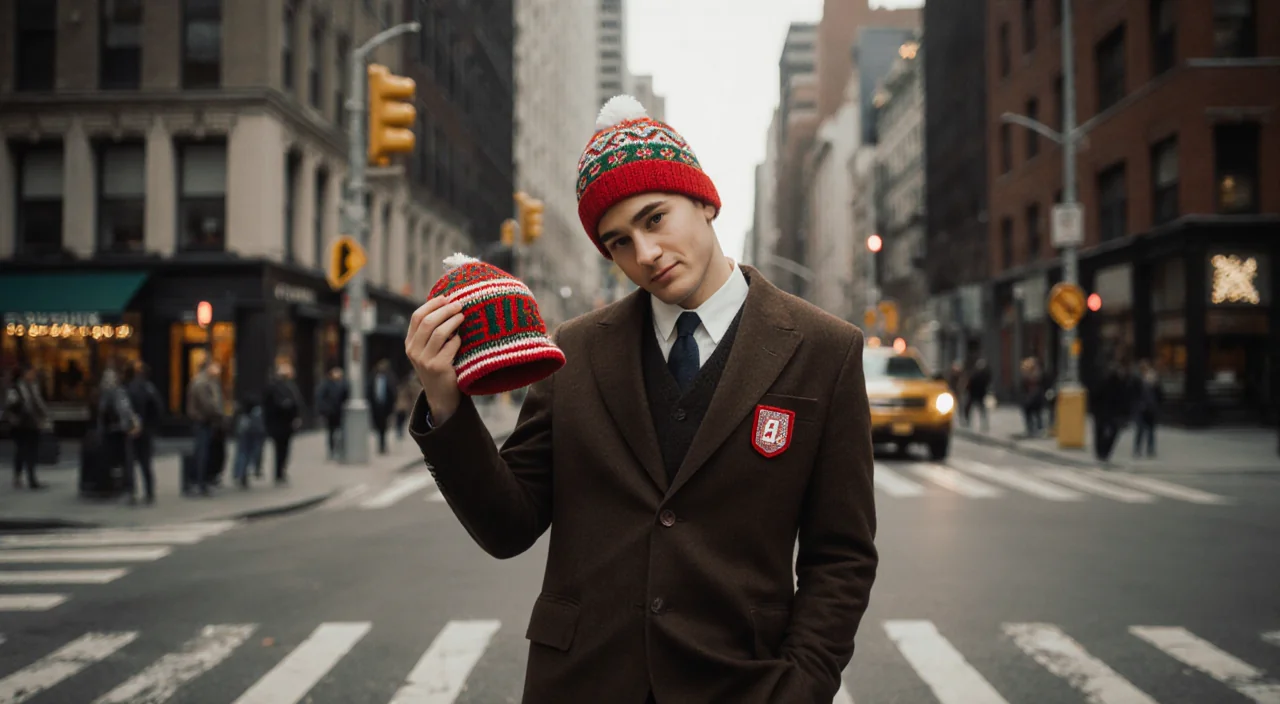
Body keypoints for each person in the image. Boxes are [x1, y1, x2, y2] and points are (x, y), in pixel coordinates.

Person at [405, 95, 877, 703]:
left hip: (741, 683)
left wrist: (802, 686)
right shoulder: (574, 351)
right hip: (581, 683)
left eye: (655, 219)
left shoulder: (824, 350)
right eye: (618, 242)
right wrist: (446, 404)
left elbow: (840, 556)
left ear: (705, 201)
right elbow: (508, 525)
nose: (644, 254)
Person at [97, 367, 141, 502]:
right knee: (123, 461)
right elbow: (124, 411)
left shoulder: (109, 394)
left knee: (119, 461)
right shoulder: (115, 393)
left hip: (115, 431)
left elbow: (107, 413)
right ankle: (125, 488)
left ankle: (123, 488)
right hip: (117, 431)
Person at [123, 362, 163, 504]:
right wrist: (151, 426)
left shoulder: (130, 388)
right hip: (146, 430)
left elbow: (125, 409)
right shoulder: (150, 388)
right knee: (145, 462)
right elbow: (158, 409)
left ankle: (131, 492)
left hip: (133, 429)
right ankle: (149, 492)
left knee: (130, 462)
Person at [5, 366, 50, 490]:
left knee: (32, 451)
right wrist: (16, 418)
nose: (33, 375)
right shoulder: (16, 388)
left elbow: (38, 403)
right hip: (20, 425)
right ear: (24, 374)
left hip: (33, 424)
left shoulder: (34, 387)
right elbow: (10, 406)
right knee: (21, 451)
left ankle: (32, 479)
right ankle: (18, 476)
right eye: (30, 373)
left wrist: (45, 416)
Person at [185, 360, 224, 495]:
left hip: (206, 422)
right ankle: (199, 482)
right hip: (202, 422)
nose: (218, 369)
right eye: (215, 366)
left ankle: (203, 481)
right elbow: (207, 405)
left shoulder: (210, 382)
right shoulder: (202, 383)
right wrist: (218, 414)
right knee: (201, 453)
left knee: (207, 452)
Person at [264, 362, 305, 484]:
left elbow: (297, 403)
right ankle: (278, 473)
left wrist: (297, 417)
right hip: (279, 423)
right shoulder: (275, 387)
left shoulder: (291, 386)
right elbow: (275, 404)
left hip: (287, 423)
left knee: (285, 449)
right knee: (280, 449)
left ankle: (281, 471)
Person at [315, 367, 349, 460]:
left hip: (340, 412)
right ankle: (332, 450)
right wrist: (325, 409)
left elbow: (346, 395)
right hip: (331, 413)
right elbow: (321, 398)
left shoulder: (343, 384)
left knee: (341, 431)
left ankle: (340, 449)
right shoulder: (326, 385)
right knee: (331, 432)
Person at [1131, 359, 1162, 458]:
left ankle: (1149, 449)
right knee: (1141, 430)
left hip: (1150, 408)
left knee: (1150, 431)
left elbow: (1159, 394)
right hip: (1142, 408)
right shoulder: (1137, 380)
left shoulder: (1153, 380)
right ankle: (1138, 449)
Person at [368, 360, 397, 454]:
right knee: (377, 426)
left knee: (384, 427)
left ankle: (383, 445)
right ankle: (380, 444)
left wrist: (392, 406)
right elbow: (369, 391)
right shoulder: (373, 378)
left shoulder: (389, 378)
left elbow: (393, 392)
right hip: (376, 406)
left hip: (386, 406)